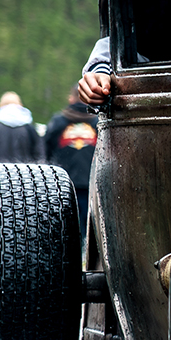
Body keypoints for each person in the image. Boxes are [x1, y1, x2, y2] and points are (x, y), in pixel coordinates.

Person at [45, 83, 98, 239]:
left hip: (62, 182)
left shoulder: (58, 121)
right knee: (89, 225)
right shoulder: (97, 122)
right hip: (91, 181)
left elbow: (46, 149)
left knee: (64, 225)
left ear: (71, 98)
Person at [0, 91, 44, 163]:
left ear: (1, 105)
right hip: (22, 172)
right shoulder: (29, 128)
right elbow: (38, 155)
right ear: (20, 105)